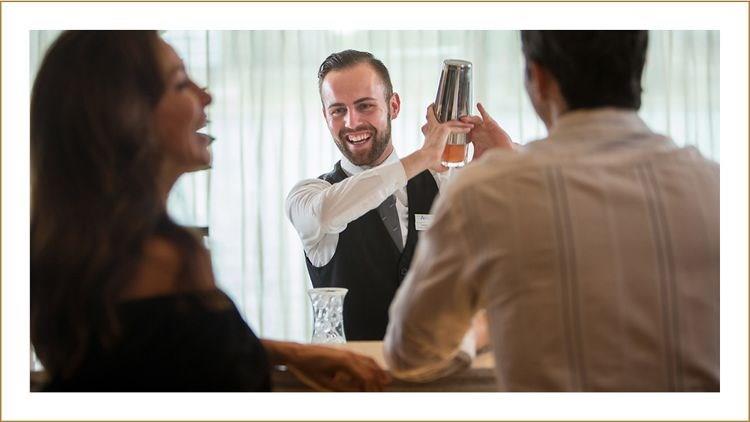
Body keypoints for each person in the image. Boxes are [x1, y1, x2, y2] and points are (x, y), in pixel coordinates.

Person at [30, 31, 390, 392]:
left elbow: (175, 352)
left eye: (364, 106)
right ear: (125, 113)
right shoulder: (161, 260)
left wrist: (294, 354)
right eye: (180, 84)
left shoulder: (82, 253)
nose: (206, 96)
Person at [384, 30, 719, 391]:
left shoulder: (483, 191)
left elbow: (411, 350)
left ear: (538, 78)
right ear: (641, 67)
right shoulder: (716, 185)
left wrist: (483, 328)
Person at [285, 50, 479, 340]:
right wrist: (424, 156)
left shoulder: (441, 182)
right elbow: (325, 212)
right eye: (338, 110)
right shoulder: (308, 196)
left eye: (365, 106)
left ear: (394, 105)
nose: (352, 122)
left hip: (435, 363)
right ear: (325, 116)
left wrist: (498, 155)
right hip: (355, 367)